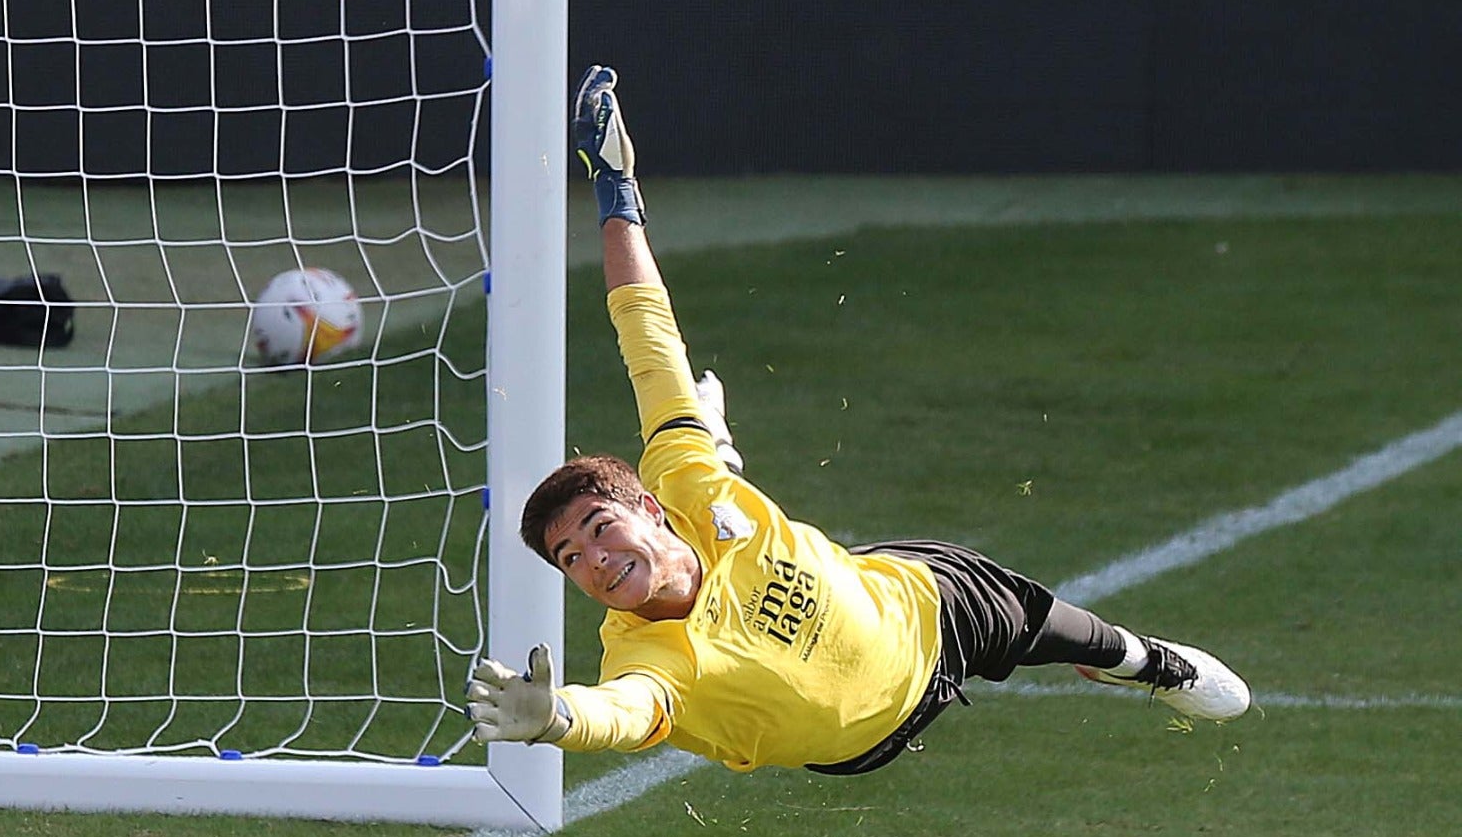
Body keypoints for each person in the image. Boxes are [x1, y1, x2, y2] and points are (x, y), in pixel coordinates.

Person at [464, 66, 1249, 775]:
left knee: (1068, 634)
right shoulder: (645, 655)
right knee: (723, 482)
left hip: (923, 606)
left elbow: (646, 332)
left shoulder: (681, 481)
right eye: (570, 559)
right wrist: (560, 717)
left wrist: (616, 193)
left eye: (598, 528)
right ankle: (722, 444)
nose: (593, 561)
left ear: (647, 506)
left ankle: (1154, 666)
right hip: (864, 743)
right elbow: (628, 712)